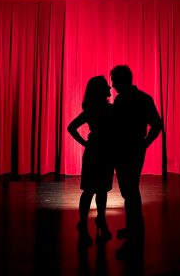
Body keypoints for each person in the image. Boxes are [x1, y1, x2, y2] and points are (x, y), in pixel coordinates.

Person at [109, 64, 163, 254]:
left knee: (130, 191)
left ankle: (134, 237)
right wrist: (145, 143)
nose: (113, 85)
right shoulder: (141, 98)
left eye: (114, 81)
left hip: (127, 151)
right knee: (129, 190)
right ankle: (133, 229)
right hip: (131, 149)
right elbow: (157, 124)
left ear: (122, 81)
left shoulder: (126, 100)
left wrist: (144, 143)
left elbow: (157, 124)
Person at [67, 75, 116, 246]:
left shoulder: (90, 110)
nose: (110, 89)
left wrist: (85, 143)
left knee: (90, 189)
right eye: (106, 87)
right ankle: (99, 219)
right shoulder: (109, 110)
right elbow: (71, 128)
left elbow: (71, 128)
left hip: (94, 150)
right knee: (100, 189)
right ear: (100, 91)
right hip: (105, 152)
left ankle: (85, 221)